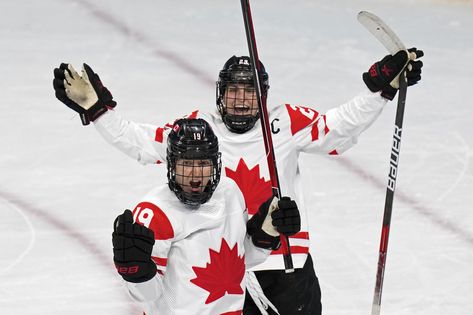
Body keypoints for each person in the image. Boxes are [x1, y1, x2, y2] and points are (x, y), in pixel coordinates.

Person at [53, 48, 423, 314]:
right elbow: (141, 141)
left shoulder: (286, 122)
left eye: (250, 92)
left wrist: (381, 91)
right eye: (234, 91)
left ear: (263, 96)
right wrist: (98, 110)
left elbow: (338, 126)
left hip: (285, 265)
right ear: (220, 94)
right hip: (227, 274)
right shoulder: (199, 130)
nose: (242, 100)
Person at [112, 118, 301, 314]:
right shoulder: (155, 213)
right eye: (186, 163)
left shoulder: (230, 193)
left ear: (215, 164)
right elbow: (148, 295)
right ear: (172, 164)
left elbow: (237, 264)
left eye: (203, 163)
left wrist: (265, 236)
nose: (195, 174)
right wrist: (135, 273)